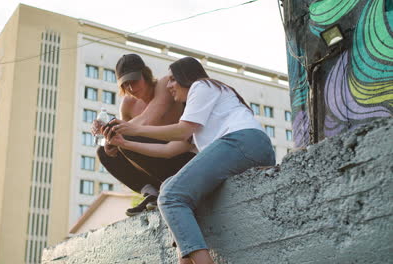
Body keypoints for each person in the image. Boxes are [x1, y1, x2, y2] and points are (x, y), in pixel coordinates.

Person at [107, 57, 275, 264]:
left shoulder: (201, 86)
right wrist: (124, 143)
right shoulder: (198, 117)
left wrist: (135, 128)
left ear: (184, 77)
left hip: (244, 142)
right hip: (241, 147)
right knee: (171, 188)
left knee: (170, 196)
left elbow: (181, 130)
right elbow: (168, 150)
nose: (168, 85)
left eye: (172, 80)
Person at [93, 54, 195, 216]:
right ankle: (151, 192)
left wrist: (113, 132)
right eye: (125, 85)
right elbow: (128, 146)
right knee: (104, 152)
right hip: (157, 165)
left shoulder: (164, 85)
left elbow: (148, 119)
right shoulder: (127, 104)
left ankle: (166, 190)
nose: (131, 88)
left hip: (184, 156)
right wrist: (109, 138)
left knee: (122, 139)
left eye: (134, 81)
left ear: (145, 74)